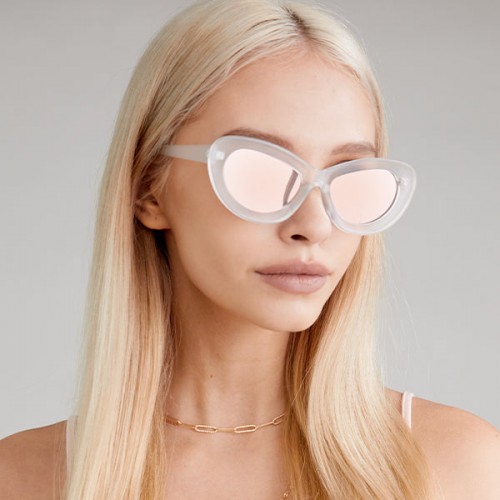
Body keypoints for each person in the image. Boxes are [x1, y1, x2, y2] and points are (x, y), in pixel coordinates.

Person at [1, 0, 499, 498]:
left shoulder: (458, 468)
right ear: (149, 188)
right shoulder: (21, 478)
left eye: (349, 177)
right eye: (260, 171)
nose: (314, 225)